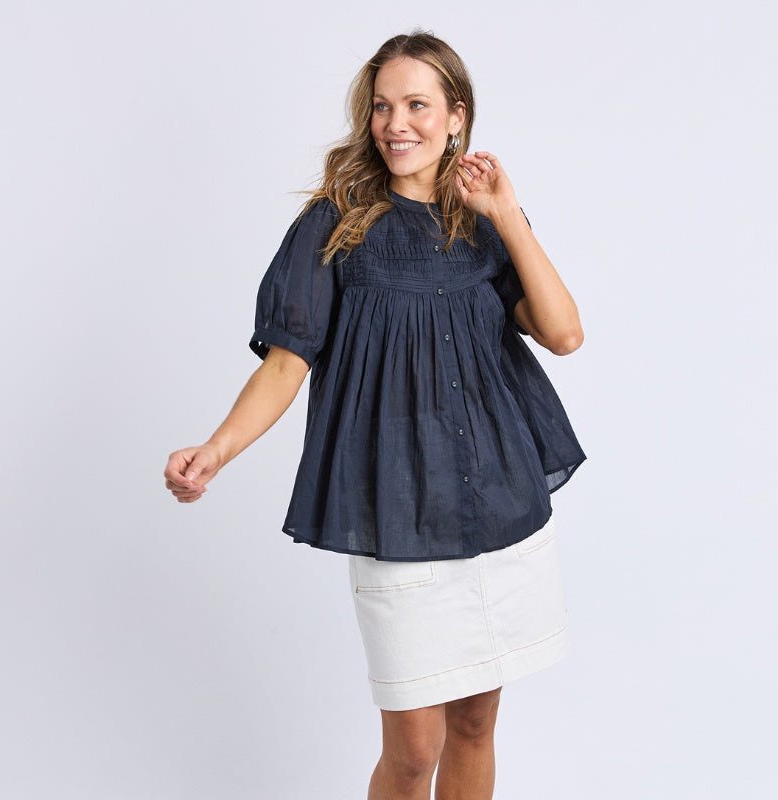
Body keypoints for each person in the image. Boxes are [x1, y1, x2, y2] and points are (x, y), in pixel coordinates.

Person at [164, 30, 586, 800]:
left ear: (456, 117)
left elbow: (563, 334)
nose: (396, 124)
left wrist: (507, 212)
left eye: (417, 105)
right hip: (399, 511)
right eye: (382, 107)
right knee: (414, 747)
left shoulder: (484, 218)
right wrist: (217, 449)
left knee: (475, 724)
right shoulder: (336, 222)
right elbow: (286, 363)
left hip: (498, 500)